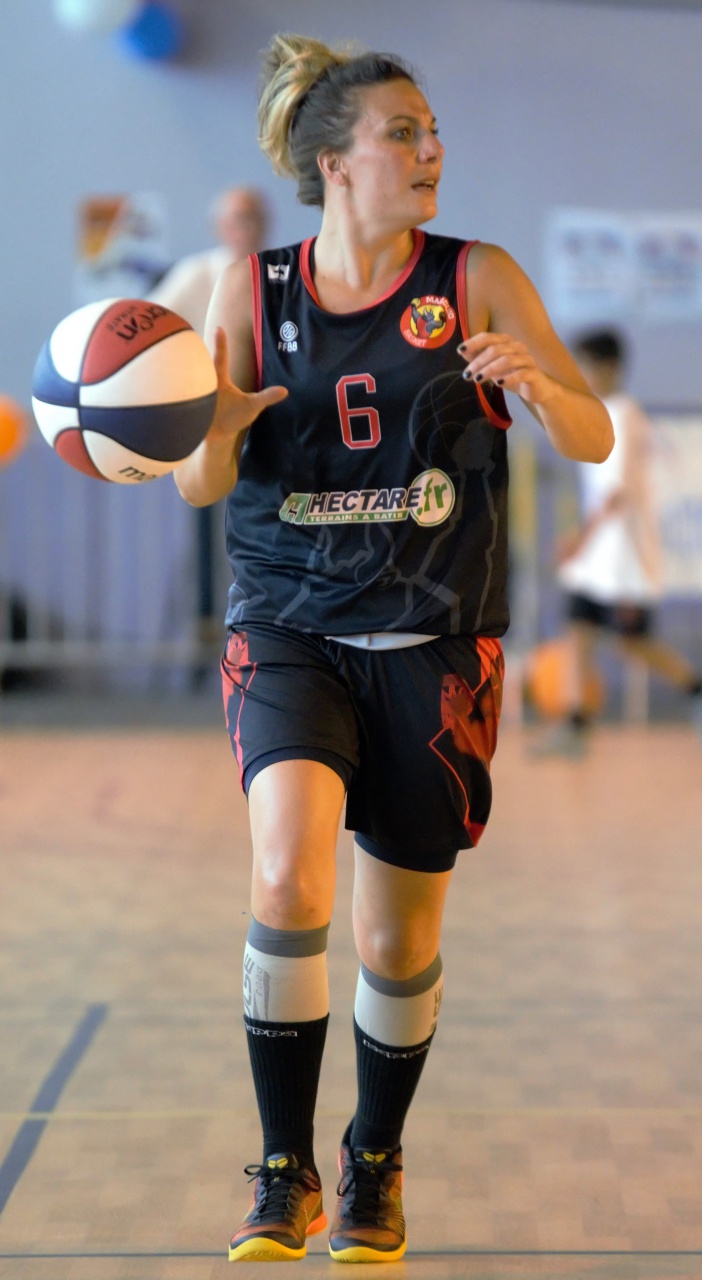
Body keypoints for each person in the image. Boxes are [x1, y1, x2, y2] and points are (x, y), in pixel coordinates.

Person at [174, 33, 613, 1264]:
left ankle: (374, 1156)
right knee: (286, 881)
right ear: (335, 161)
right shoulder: (252, 291)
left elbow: (591, 437)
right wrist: (218, 424)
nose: (432, 150)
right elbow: (200, 482)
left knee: (395, 942)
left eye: (433, 131)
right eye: (403, 132)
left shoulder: (476, 276)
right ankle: (284, 1168)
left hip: (436, 642)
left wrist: (539, 388)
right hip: (290, 626)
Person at [533, 328, 702, 758]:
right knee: (578, 628)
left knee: (633, 642)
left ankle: (696, 689)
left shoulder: (624, 416)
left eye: (585, 366)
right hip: (598, 558)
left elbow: (615, 495)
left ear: (609, 368)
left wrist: (578, 539)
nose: (580, 374)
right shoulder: (599, 413)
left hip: (622, 557)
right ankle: (575, 725)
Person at [149, 186, 270, 335]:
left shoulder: (280, 271)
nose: (248, 229)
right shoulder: (196, 271)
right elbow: (150, 318)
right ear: (220, 225)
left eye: (254, 219)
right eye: (239, 219)